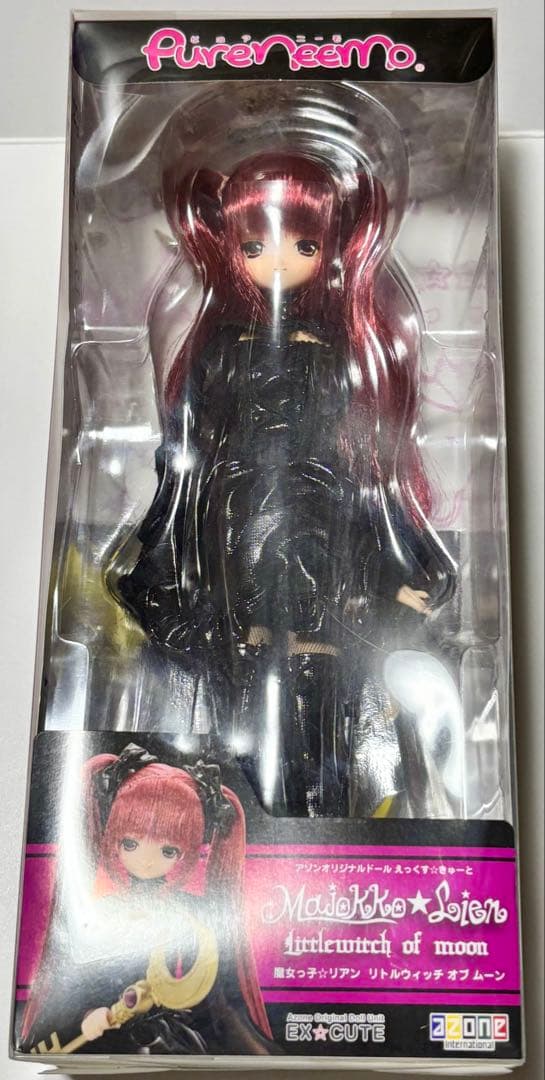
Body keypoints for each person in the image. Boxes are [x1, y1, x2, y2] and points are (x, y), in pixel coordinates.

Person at [117, 154, 456, 817]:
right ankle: (249, 809)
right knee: (243, 677)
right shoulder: (219, 348)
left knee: (322, 680)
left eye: (302, 245)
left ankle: (320, 814)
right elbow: (183, 459)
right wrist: (163, 553)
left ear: (330, 250)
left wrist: (404, 561)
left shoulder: (346, 347)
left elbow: (373, 465)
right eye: (254, 246)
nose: (276, 260)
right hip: (237, 523)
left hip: (324, 525)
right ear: (228, 248)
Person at [21, 745, 274, 1055]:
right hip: (109, 1036)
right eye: (130, 843)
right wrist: (88, 1015)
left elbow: (216, 1003)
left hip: (174, 1037)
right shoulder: (102, 911)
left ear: (188, 852)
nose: (147, 860)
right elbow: (78, 983)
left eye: (168, 850)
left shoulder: (193, 915)